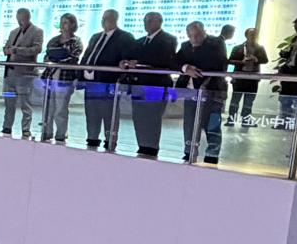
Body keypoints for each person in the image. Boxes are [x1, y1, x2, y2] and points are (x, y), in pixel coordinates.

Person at [121, 11, 178, 158]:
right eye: (145, 21)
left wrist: (139, 62)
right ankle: (142, 146)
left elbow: (163, 59)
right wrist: (125, 61)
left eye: (150, 20)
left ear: (159, 21)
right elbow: (129, 55)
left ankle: (151, 149)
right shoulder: (140, 41)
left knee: (152, 118)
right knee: (138, 117)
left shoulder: (168, 39)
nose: (146, 24)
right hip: (138, 85)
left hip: (156, 85)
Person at [80, 9, 136, 150]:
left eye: (109, 18)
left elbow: (127, 59)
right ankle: (92, 139)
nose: (105, 21)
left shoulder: (125, 37)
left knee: (109, 114)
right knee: (91, 113)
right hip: (91, 82)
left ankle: (110, 141)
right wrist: (79, 75)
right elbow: (87, 56)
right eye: (104, 18)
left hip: (108, 82)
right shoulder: (95, 37)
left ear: (115, 20)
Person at [174, 21, 229, 164]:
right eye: (191, 36)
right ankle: (189, 151)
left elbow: (218, 62)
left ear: (204, 31)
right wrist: (186, 67)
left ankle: (212, 154)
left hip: (212, 90)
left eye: (197, 35)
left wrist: (192, 62)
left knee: (212, 124)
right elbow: (174, 61)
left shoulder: (216, 43)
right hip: (191, 91)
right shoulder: (185, 46)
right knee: (189, 123)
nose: (194, 38)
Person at [0, 7, 44, 139]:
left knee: (25, 102)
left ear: (28, 18)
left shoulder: (37, 31)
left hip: (25, 74)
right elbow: (7, 47)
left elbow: (37, 49)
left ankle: (26, 129)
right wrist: (6, 50)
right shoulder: (13, 32)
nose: (20, 22)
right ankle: (7, 126)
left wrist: (17, 50)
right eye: (18, 19)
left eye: (22, 19)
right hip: (10, 73)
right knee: (9, 101)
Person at [39, 13, 83, 144]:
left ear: (73, 25)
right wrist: (55, 59)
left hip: (65, 78)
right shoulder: (54, 40)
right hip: (50, 77)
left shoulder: (76, 41)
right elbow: (47, 57)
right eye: (62, 22)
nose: (63, 25)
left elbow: (73, 58)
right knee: (48, 107)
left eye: (66, 22)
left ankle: (61, 134)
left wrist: (57, 60)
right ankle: (47, 132)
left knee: (61, 108)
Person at [225, 26, 269, 125]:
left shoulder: (260, 48)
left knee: (249, 101)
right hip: (239, 77)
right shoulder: (238, 48)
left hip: (253, 78)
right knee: (235, 100)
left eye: (255, 34)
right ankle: (231, 119)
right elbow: (230, 60)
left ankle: (245, 120)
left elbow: (265, 60)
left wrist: (256, 59)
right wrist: (241, 62)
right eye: (251, 34)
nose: (253, 36)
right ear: (246, 35)